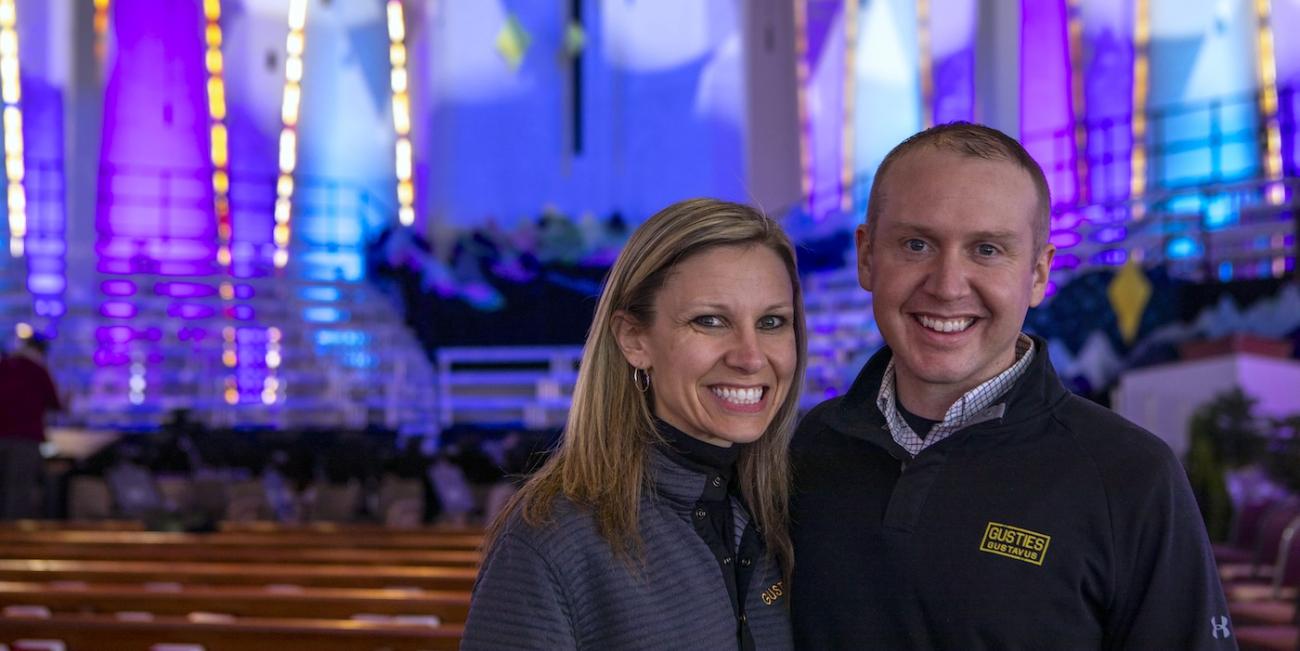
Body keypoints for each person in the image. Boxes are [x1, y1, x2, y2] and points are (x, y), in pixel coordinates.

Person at [788, 123, 1235, 650]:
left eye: (987, 250)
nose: (948, 285)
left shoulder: (1131, 478)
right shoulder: (807, 450)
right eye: (916, 244)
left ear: (1039, 273)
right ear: (866, 257)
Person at [462, 198, 807, 650]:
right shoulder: (551, 540)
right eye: (710, 321)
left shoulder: (792, 511)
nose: (750, 356)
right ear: (634, 339)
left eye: (771, 321)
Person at [0, 335, 63, 519]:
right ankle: (13, 541)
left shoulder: (4, 366)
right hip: (26, 439)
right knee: (19, 491)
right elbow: (55, 403)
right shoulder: (38, 370)